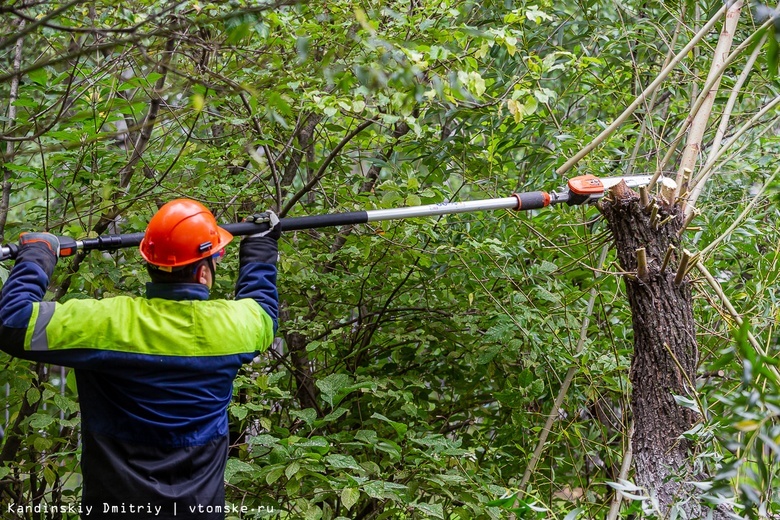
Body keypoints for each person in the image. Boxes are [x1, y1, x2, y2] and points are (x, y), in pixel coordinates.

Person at [0, 199, 280, 519]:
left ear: (149, 262)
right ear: (204, 273)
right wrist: (260, 245)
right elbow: (264, 312)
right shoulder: (234, 328)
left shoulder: (108, 323)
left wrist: (37, 254)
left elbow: (13, 322)